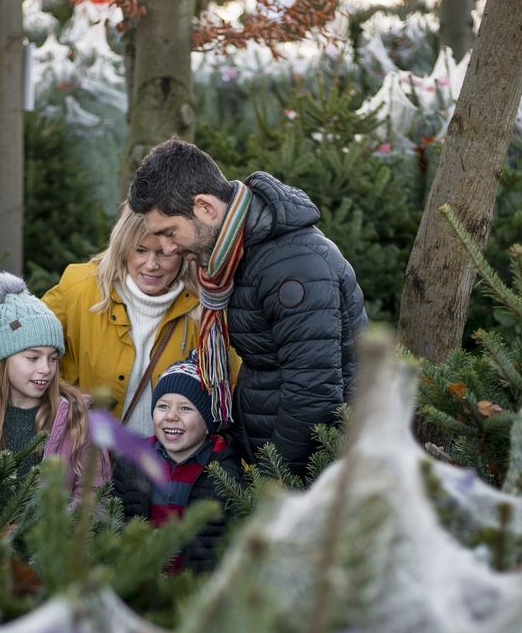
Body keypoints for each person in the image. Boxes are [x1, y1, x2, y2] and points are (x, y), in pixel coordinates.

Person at [128, 137, 368, 479]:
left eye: (170, 233)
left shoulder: (289, 266)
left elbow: (312, 393)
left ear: (205, 208)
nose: (168, 249)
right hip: (268, 452)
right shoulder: (239, 257)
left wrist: (273, 482)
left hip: (308, 471)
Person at [41, 205, 206, 437]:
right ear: (123, 247)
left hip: (172, 468)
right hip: (92, 462)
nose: (151, 265)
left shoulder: (206, 307)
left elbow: (233, 390)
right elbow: (25, 344)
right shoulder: (79, 288)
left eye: (164, 253)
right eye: (140, 250)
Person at [0, 272, 110, 497]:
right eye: (33, 358)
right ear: (3, 359)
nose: (46, 368)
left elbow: (93, 497)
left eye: (53, 358)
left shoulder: (78, 419)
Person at [111, 354, 243, 573]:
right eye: (162, 406)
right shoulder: (132, 463)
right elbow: (113, 523)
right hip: (142, 586)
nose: (171, 416)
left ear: (209, 420)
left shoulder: (224, 472)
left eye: (185, 408)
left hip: (196, 590)